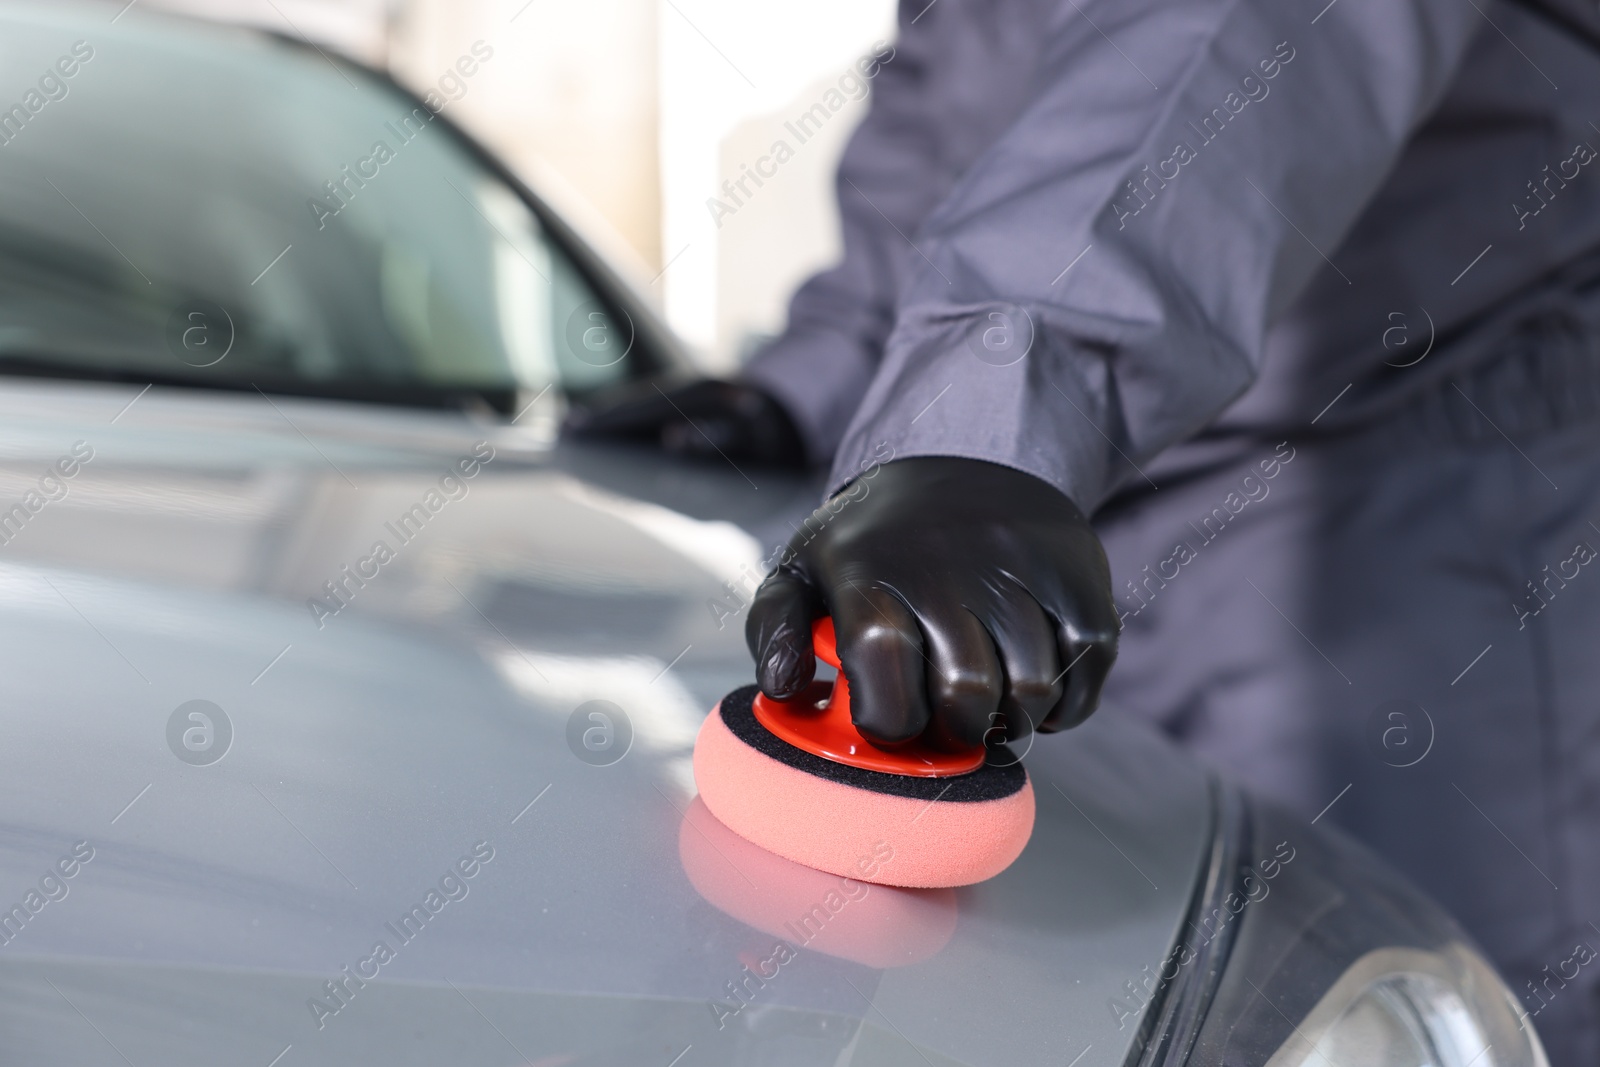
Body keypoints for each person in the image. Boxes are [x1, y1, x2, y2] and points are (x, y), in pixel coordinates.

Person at [568, 0, 1600, 1059]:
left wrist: (987, 415)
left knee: (1374, 1006)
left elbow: (1225, 41)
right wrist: (817, 380)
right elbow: (961, 76)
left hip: (1383, 517)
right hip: (1046, 508)